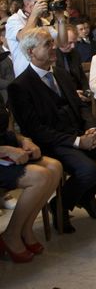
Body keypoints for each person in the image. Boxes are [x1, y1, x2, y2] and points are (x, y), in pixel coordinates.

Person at [8, 28, 96, 234]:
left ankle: (85, 196)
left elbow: (81, 106)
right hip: (54, 143)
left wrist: (92, 129)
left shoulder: (61, 73)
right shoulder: (20, 86)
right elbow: (35, 130)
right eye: (47, 45)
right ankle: (60, 206)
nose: (53, 48)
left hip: (82, 132)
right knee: (89, 170)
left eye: (52, 42)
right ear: (31, 51)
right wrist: (77, 142)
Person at [0, 103, 62, 263]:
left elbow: (6, 130)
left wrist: (24, 140)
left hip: (5, 152)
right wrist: (5, 150)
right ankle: (11, 234)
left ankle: (26, 228)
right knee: (39, 176)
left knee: (54, 167)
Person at [6, 0, 67, 77]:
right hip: (26, 77)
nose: (46, 6)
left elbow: (62, 43)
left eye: (47, 2)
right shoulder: (14, 19)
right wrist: (34, 14)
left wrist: (61, 19)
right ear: (28, 5)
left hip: (47, 73)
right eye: (42, 2)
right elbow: (23, 38)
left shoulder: (43, 21)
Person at [55, 26, 91, 102]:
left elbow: (82, 76)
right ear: (60, 40)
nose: (73, 46)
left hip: (79, 95)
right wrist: (73, 94)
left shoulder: (75, 53)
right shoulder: (53, 57)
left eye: (74, 42)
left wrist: (87, 91)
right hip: (64, 98)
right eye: (70, 43)